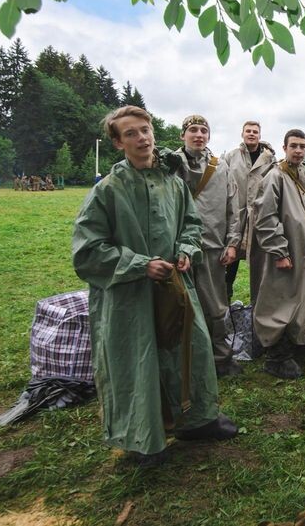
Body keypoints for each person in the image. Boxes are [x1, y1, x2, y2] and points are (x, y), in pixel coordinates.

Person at [72, 106, 237, 467]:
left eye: (145, 130)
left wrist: (185, 250)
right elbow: (87, 252)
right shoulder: (108, 191)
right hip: (129, 297)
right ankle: (143, 440)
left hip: (175, 288)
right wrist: (140, 265)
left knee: (190, 349)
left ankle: (198, 420)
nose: (142, 138)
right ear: (117, 143)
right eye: (130, 133)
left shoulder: (173, 184)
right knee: (138, 362)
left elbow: (191, 225)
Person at [252, 128, 305, 379]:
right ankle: (276, 353)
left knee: (304, 295)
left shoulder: (304, 175)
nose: (298, 150)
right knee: (280, 297)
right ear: (284, 148)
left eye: (302, 146)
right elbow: (265, 217)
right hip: (286, 250)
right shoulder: (275, 176)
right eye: (293, 146)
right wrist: (279, 250)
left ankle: (299, 340)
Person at [173, 115, 243, 378]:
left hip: (212, 247)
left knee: (216, 306)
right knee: (179, 306)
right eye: (193, 130)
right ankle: (185, 360)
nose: (199, 135)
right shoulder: (170, 165)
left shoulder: (220, 166)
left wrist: (232, 243)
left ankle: (221, 359)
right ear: (183, 135)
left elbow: (232, 207)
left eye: (204, 130)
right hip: (176, 250)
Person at [223, 120, 276, 302]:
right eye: (248, 131)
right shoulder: (230, 157)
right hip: (235, 215)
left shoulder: (269, 159)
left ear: (260, 136)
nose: (251, 134)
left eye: (255, 131)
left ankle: (260, 304)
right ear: (242, 134)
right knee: (230, 260)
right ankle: (224, 299)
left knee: (260, 261)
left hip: (259, 216)